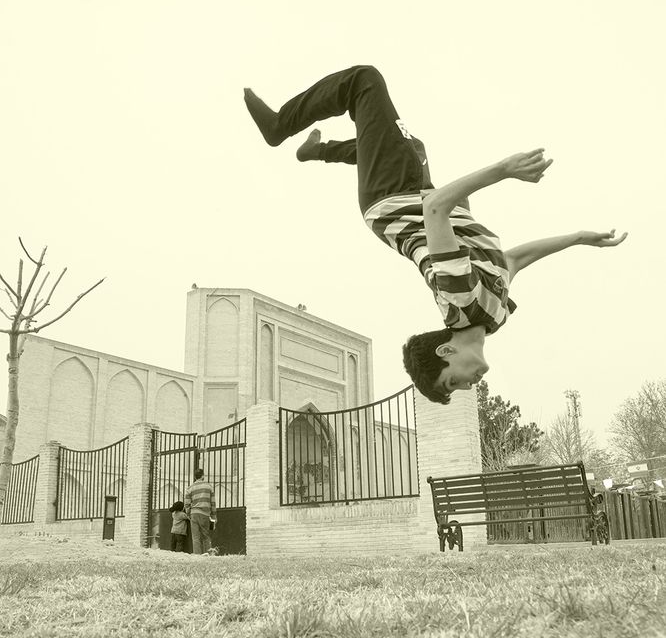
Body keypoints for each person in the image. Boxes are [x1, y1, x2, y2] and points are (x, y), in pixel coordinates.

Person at [244, 66, 627, 404]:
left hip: (394, 198)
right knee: (412, 144)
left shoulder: (458, 299)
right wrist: (577, 238)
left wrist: (504, 170)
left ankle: (279, 126)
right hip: (414, 190)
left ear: (446, 351)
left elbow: (436, 209)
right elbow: (514, 259)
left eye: (452, 381)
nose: (468, 385)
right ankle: (318, 151)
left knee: (364, 80)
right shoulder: (492, 316)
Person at [184, 468, 216, 555]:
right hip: (205, 514)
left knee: (195, 537)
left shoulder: (190, 488)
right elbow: (213, 502)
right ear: (203, 476)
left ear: (195, 477)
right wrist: (213, 516)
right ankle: (208, 554)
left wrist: (188, 514)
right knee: (206, 536)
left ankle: (197, 556)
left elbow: (186, 504)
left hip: (194, 514)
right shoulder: (209, 487)